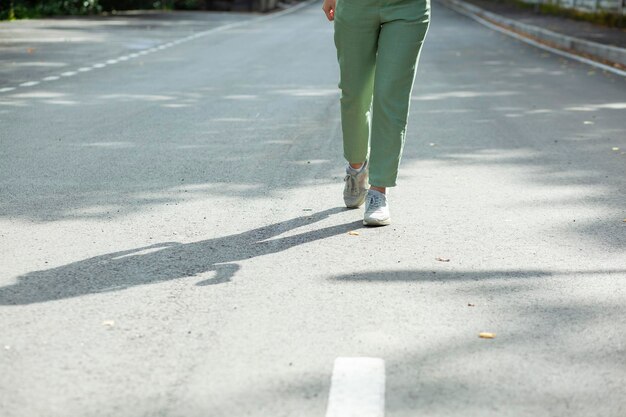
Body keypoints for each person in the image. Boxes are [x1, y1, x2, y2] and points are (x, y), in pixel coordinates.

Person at [322, 0, 430, 226]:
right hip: (355, 6)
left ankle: (378, 191)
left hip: (408, 7)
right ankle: (356, 168)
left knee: (391, 95)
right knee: (355, 94)